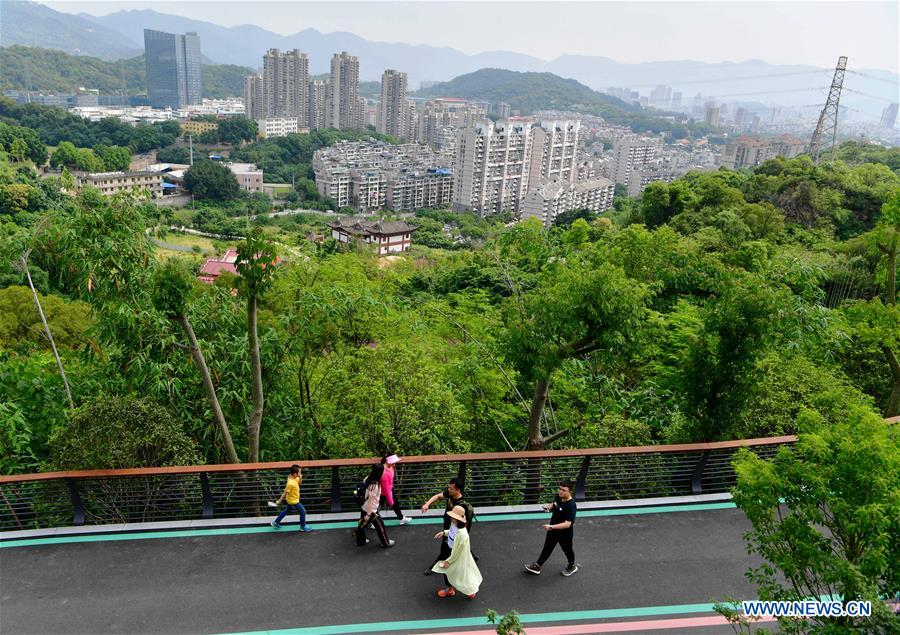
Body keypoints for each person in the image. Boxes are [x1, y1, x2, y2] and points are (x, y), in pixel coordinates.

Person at [421, 477, 475, 574]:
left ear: (458, 490)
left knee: (445, 549)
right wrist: (427, 504)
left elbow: (465, 524)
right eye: (448, 488)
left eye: (451, 488)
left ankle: (434, 567)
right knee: (458, 547)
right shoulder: (450, 495)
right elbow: (438, 496)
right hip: (447, 527)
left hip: (453, 530)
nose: (448, 490)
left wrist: (454, 534)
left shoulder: (461, 506)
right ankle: (471, 556)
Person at [524, 479, 578, 576]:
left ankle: (572, 566)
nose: (560, 491)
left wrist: (552, 527)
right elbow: (555, 504)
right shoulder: (559, 496)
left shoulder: (571, 505)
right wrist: (549, 507)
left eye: (564, 490)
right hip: (553, 530)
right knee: (547, 548)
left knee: (568, 550)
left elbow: (568, 523)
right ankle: (537, 566)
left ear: (570, 491)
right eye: (560, 489)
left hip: (564, 534)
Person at [432, 505, 482, 599]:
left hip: (456, 555)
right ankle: (457, 590)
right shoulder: (454, 524)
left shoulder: (462, 534)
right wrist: (444, 533)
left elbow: (457, 552)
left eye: (453, 516)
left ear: (457, 518)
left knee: (457, 572)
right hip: (451, 550)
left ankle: (466, 590)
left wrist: (448, 561)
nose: (451, 517)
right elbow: (451, 532)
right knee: (456, 572)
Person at [355, 463, 394, 547]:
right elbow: (371, 501)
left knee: (362, 525)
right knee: (380, 527)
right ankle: (385, 542)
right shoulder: (374, 486)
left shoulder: (368, 478)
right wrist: (369, 514)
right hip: (371, 510)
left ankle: (360, 541)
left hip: (364, 507)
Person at [270, 464, 313, 531]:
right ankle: (303, 526)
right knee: (303, 512)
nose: (300, 473)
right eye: (299, 472)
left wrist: (301, 477)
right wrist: (279, 501)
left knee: (286, 511)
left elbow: (299, 483)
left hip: (291, 500)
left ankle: (276, 522)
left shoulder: (295, 478)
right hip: (293, 501)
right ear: (295, 474)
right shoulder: (290, 483)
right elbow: (285, 492)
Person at [380, 454, 412, 525]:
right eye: (393, 462)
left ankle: (401, 518)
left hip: (387, 490)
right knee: (376, 507)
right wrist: (390, 501)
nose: (395, 464)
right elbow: (386, 489)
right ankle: (368, 522)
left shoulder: (390, 467)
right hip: (381, 492)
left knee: (395, 503)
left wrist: (391, 485)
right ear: (388, 462)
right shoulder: (384, 472)